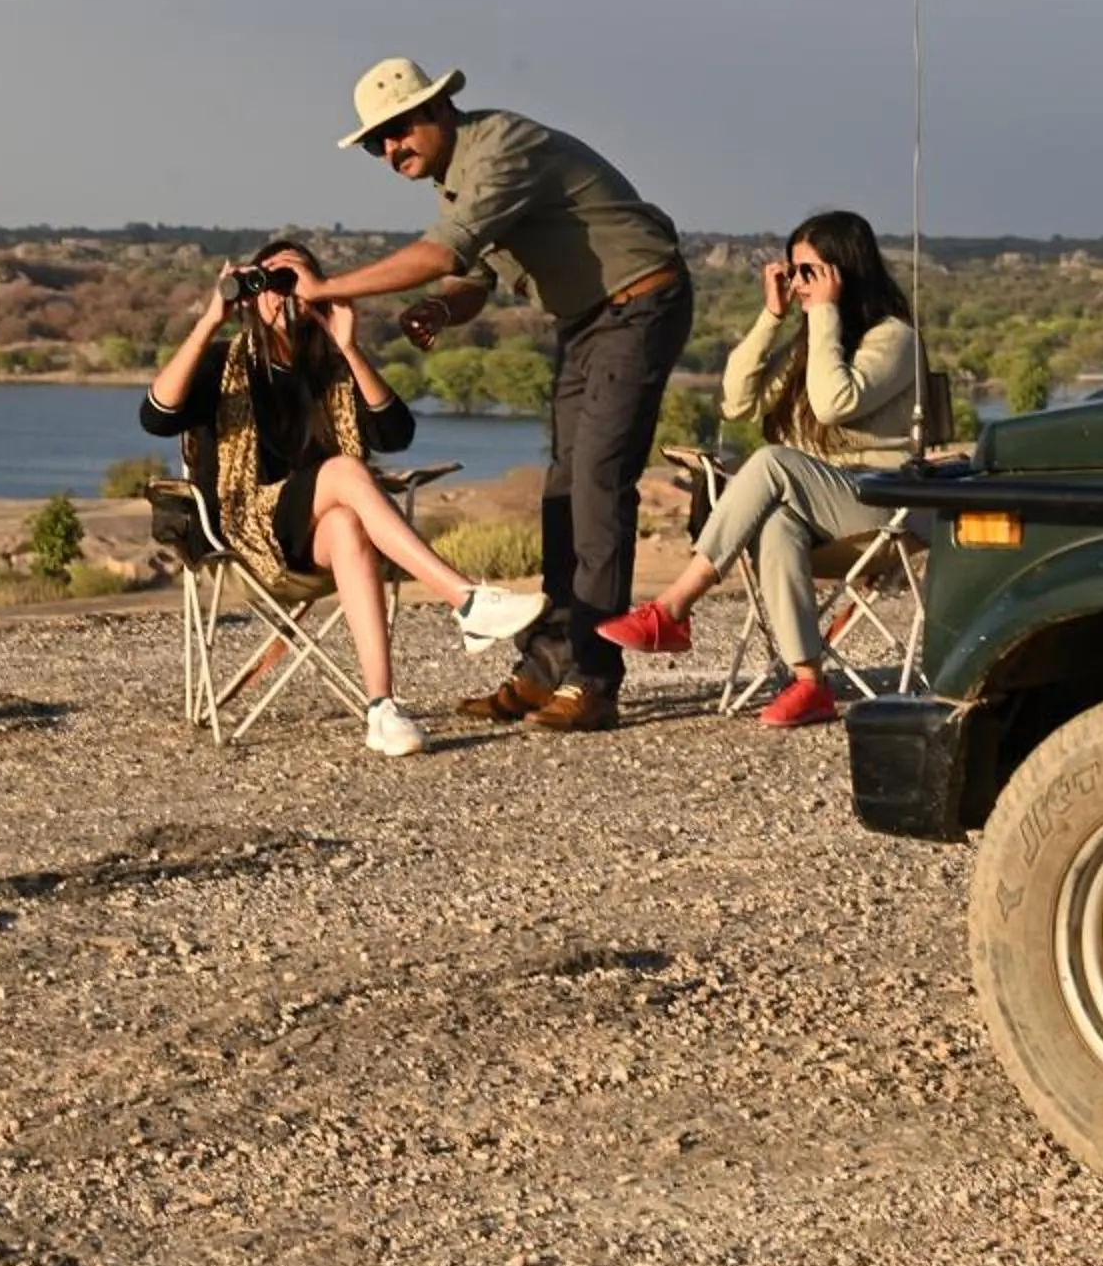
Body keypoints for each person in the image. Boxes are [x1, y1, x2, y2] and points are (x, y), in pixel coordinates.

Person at [299, 57, 691, 733]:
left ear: (437, 110)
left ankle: (594, 680)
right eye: (376, 143)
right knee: (563, 489)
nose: (390, 150)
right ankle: (545, 669)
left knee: (599, 482)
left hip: (639, 305)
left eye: (397, 131)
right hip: (588, 320)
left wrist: (327, 291)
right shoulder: (457, 182)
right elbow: (470, 279)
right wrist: (444, 312)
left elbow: (442, 256)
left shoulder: (503, 148)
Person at [143, 237, 547, 757]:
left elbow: (396, 433)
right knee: (345, 472)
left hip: (313, 541)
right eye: (270, 284)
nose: (282, 297)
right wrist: (209, 321)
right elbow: (156, 415)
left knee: (349, 525)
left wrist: (349, 346)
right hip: (242, 533)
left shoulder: (331, 368)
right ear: (250, 294)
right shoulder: (223, 363)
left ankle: (383, 708)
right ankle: (466, 599)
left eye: (297, 283)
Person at [596, 209, 916, 728]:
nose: (798, 284)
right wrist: (771, 318)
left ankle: (674, 607)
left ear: (845, 269)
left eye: (808, 272)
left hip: (882, 505)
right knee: (776, 525)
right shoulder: (811, 343)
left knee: (769, 462)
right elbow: (737, 403)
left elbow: (835, 402)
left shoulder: (893, 338)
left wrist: (825, 316)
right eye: (792, 272)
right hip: (824, 511)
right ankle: (810, 682)